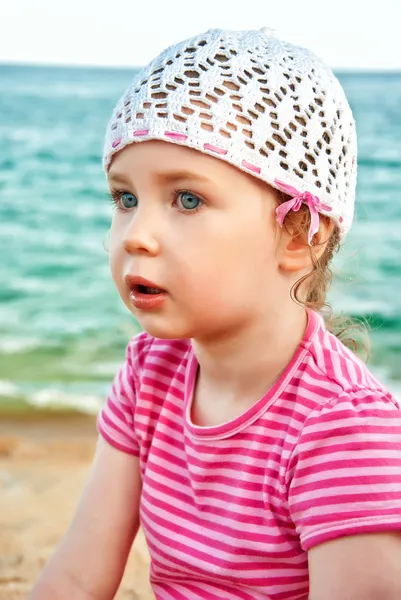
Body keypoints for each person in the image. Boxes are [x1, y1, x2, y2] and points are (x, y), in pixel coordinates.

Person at [29, 28, 401, 600]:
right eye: (125, 199)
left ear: (300, 235)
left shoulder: (341, 431)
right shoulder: (149, 373)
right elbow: (78, 577)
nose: (138, 236)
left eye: (187, 200)